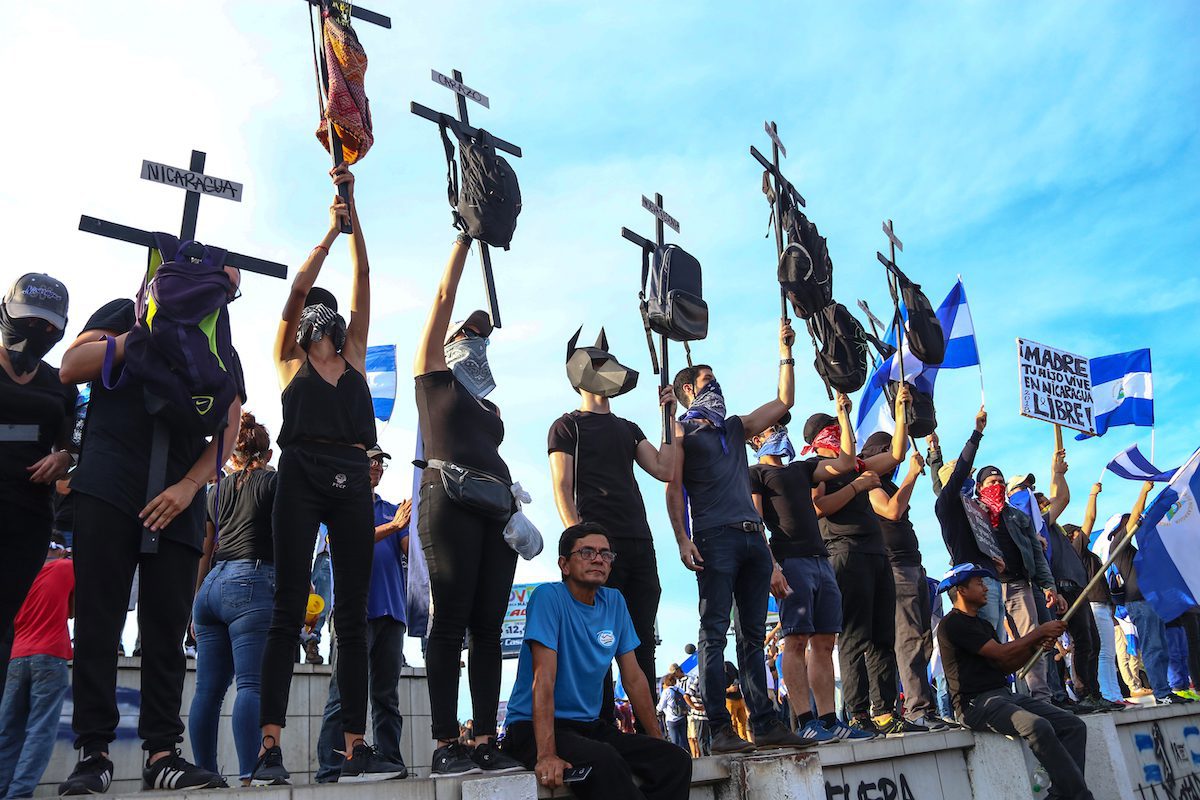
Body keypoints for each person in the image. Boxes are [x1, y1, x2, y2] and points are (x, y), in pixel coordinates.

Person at [58, 266, 242, 793]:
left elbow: (229, 419)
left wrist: (189, 486)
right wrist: (139, 335)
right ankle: (93, 752)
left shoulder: (216, 339)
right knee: (97, 621)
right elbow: (72, 366)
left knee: (165, 632)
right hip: (108, 486)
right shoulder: (124, 311)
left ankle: (163, 752)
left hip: (178, 498)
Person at [254, 164, 404, 785]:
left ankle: (353, 746)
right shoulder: (291, 361)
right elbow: (296, 295)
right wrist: (326, 234)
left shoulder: (355, 358)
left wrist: (355, 217)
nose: (329, 317)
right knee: (290, 604)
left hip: (349, 470)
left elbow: (365, 277)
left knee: (349, 613)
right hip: (301, 471)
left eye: (332, 313)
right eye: (321, 313)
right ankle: (269, 747)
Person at [666, 321, 810, 753]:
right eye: (709, 382)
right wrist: (681, 538)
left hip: (752, 539)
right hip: (713, 538)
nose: (718, 388)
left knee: (751, 635)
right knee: (714, 633)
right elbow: (673, 487)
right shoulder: (681, 432)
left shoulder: (733, 427)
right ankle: (719, 728)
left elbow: (784, 400)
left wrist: (785, 352)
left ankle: (764, 723)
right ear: (688, 390)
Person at [413, 231, 524, 777]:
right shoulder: (434, 382)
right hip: (449, 499)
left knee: (489, 624)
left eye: (483, 337)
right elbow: (441, 298)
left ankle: (484, 738)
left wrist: (516, 505)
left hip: (494, 509)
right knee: (451, 620)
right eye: (469, 334)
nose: (477, 342)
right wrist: (463, 239)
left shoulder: (488, 404)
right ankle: (443, 741)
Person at [502, 523, 692, 799]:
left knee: (674, 760)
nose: (598, 559)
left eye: (605, 554)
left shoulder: (614, 602)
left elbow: (634, 677)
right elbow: (543, 677)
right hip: (531, 728)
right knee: (604, 761)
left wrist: (655, 738)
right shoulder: (548, 598)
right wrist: (546, 755)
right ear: (564, 565)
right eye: (587, 552)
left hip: (587, 727)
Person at [548, 327, 677, 725]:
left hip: (639, 541)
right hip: (598, 548)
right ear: (581, 370)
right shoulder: (567, 426)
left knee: (641, 643)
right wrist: (581, 547)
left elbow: (665, 468)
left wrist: (668, 419)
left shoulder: (628, 428)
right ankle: (602, 727)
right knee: (598, 641)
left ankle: (648, 731)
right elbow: (561, 488)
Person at [747, 396, 874, 743]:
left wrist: (843, 416)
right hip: (790, 560)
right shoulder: (755, 474)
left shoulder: (801, 469)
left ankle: (830, 721)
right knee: (796, 639)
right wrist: (771, 566)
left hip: (821, 560)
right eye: (774, 427)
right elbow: (756, 522)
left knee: (824, 642)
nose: (781, 431)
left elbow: (847, 462)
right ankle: (804, 720)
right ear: (757, 438)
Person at [807, 386, 919, 734]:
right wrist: (855, 487)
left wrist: (901, 411)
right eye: (833, 429)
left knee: (882, 636)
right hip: (845, 552)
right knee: (855, 637)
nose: (840, 434)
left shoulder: (855, 464)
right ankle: (857, 714)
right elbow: (817, 506)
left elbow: (896, 454)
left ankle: (885, 710)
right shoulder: (815, 467)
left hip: (875, 554)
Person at [937, 563, 1094, 800]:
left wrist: (1034, 647)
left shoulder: (982, 624)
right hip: (976, 705)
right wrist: (1039, 633)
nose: (986, 588)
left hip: (1002, 695)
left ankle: (1062, 795)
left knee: (1073, 726)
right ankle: (1080, 796)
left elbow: (1005, 664)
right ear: (961, 590)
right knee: (1037, 726)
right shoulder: (952, 624)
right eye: (979, 583)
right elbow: (1000, 653)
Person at [188, 412, 277, 785]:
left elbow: (205, 550)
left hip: (211, 588)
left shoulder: (215, 491)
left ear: (233, 456)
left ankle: (205, 773)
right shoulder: (274, 482)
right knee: (252, 685)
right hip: (251, 582)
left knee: (207, 689)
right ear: (268, 453)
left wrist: (194, 605)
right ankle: (250, 772)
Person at [315, 446, 412, 781]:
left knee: (387, 697)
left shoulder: (391, 509)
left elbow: (411, 553)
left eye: (380, 461)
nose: (376, 466)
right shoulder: (338, 506)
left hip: (392, 612)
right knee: (342, 694)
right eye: (370, 460)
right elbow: (346, 542)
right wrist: (394, 526)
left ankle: (390, 762)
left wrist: (420, 520)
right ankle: (330, 769)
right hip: (352, 613)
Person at [0, 274, 75, 690]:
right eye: (30, 321)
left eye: (49, 327)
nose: (38, 333)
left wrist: (64, 457)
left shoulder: (59, 384)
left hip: (28, 517)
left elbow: (74, 441)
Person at [859, 429, 954, 730]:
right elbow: (892, 509)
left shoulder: (886, 483)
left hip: (914, 566)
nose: (895, 455)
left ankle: (924, 704)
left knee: (924, 640)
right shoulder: (868, 484)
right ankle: (916, 709)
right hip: (895, 568)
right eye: (888, 449)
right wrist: (912, 475)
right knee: (909, 640)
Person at [972, 462, 1063, 701]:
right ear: (980, 487)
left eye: (1001, 482)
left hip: (1018, 585)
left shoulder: (1017, 516)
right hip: (986, 587)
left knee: (1031, 641)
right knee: (993, 642)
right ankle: (997, 695)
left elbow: (1036, 555)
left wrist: (1048, 585)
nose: (998, 486)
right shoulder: (972, 512)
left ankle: (1041, 696)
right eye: (992, 483)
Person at [0, 537, 74, 797]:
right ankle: (19, 794)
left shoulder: (22, 579)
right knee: (39, 731)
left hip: (17, 658)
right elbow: (76, 608)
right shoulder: (65, 568)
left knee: (8, 731)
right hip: (50, 656)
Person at [1110, 482, 1190, 706]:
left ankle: (1165, 690)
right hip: (1140, 604)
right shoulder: (1119, 543)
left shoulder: (1133, 551)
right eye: (1130, 522)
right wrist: (1144, 492)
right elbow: (1136, 517)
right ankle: (1162, 693)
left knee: (1161, 648)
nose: (1137, 524)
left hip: (1149, 601)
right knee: (1154, 647)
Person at [932, 410, 1006, 634]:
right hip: (972, 581)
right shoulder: (946, 504)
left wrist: (995, 564)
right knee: (988, 642)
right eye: (965, 476)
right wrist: (977, 433)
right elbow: (960, 468)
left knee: (999, 642)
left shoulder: (974, 508)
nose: (970, 479)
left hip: (991, 580)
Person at [304, 528, 332, 665]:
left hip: (345, 556)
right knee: (320, 604)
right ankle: (311, 642)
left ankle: (311, 641)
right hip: (327, 556)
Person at [657, 672, 688, 750]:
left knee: (675, 742)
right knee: (684, 740)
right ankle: (688, 755)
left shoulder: (666, 692)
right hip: (682, 717)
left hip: (672, 719)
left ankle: (677, 758)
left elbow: (660, 707)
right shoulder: (679, 690)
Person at [683, 673, 710, 757]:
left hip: (707, 715)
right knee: (702, 739)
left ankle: (706, 756)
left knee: (705, 739)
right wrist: (694, 707)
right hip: (700, 716)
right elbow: (686, 696)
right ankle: (705, 758)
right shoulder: (698, 681)